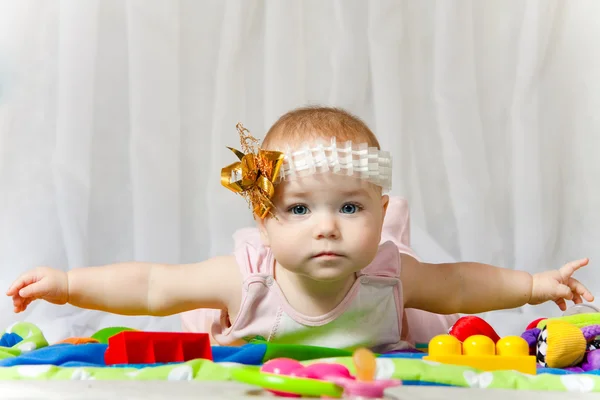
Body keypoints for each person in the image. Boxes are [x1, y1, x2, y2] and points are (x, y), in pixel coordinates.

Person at [6, 106, 594, 353]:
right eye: (298, 210)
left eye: (350, 209)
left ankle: (390, 238)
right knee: (199, 314)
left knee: (430, 313)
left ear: (378, 207)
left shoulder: (391, 272)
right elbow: (153, 285)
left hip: (382, 309)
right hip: (255, 315)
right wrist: (66, 283)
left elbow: (464, 284)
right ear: (263, 221)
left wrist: (537, 285)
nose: (326, 230)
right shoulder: (248, 275)